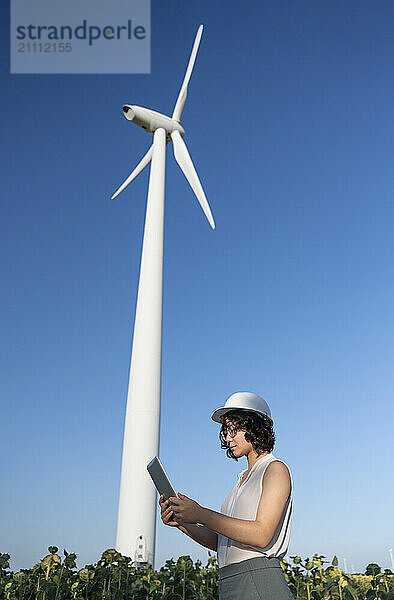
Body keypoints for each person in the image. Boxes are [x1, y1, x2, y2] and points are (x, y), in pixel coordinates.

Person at [159, 391, 294, 600]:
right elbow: (221, 542)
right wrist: (183, 522)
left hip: (258, 579)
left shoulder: (275, 469)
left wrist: (202, 514)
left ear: (255, 427)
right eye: (225, 431)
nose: (228, 438)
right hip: (229, 580)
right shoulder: (241, 480)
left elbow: (261, 534)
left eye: (233, 430)